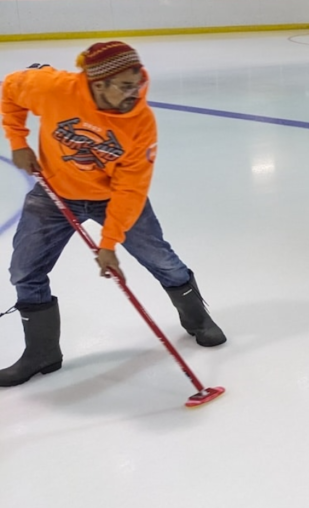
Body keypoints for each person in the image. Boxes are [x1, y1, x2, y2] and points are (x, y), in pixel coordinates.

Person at [0, 41, 227, 388]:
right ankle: (42, 352)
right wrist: (18, 142)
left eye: (136, 82)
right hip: (55, 193)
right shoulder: (52, 88)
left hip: (112, 198)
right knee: (24, 270)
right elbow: (10, 91)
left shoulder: (141, 122)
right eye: (124, 85)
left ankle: (196, 319)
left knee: (161, 259)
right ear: (97, 83)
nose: (134, 93)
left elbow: (131, 188)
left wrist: (109, 244)